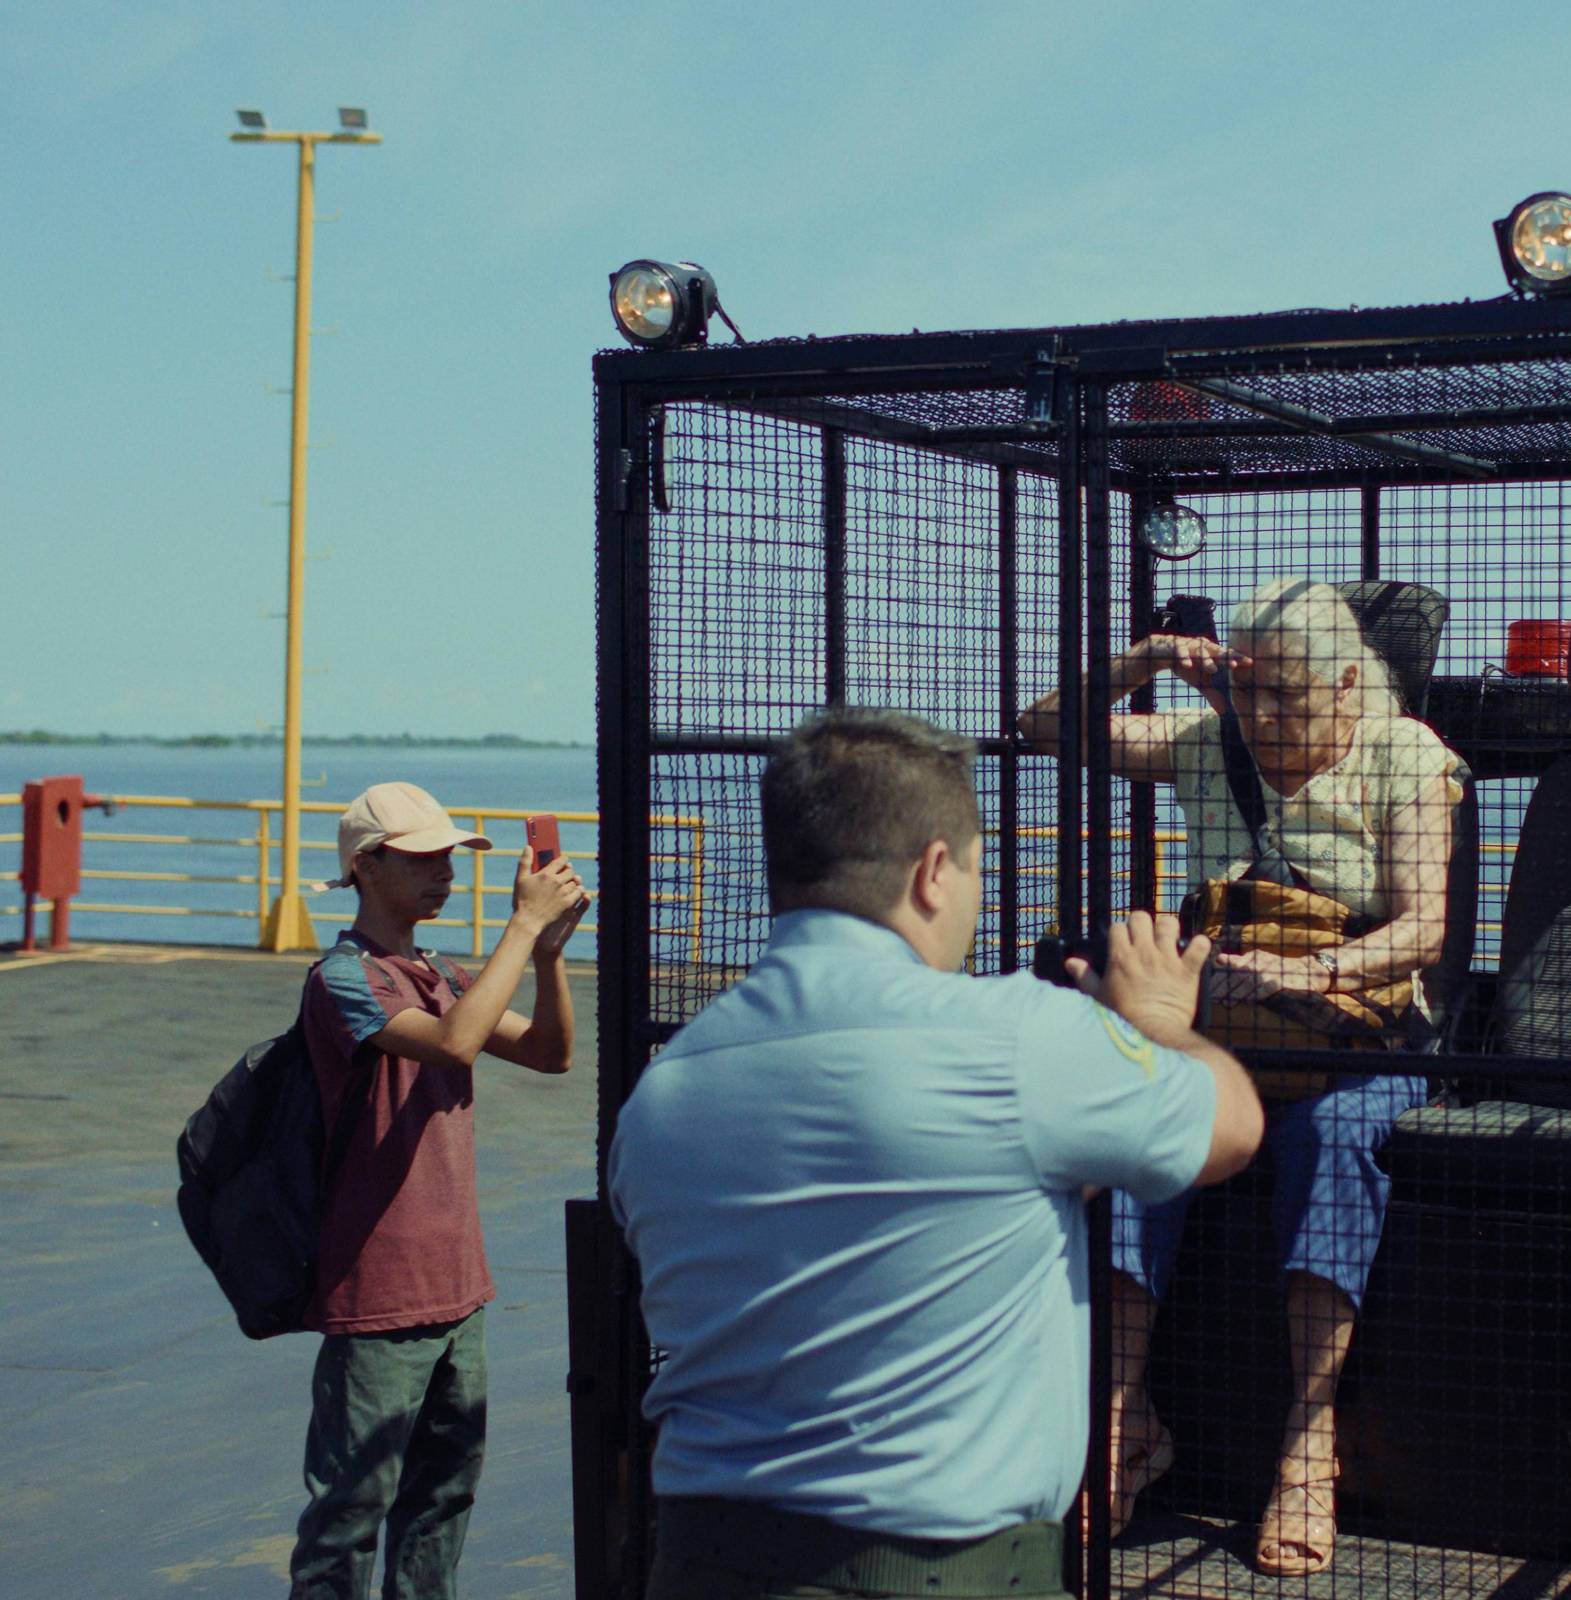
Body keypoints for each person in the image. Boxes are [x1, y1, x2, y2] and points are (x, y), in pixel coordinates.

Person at [607, 708, 1263, 1600]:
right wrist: (1151, 1021)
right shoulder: (1016, 1038)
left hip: (693, 1562)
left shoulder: (664, 1092)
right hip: (938, 1575)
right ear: (932, 874)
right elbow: (1229, 1126)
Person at [1017, 576, 1466, 1576]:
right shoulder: (1203, 742)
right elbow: (1042, 727)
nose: (1264, 720)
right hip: (1229, 1034)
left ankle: (1309, 1445)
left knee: (1337, 1139)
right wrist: (1143, 662)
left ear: (1350, 686)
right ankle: (1125, 1418)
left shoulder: (1406, 758)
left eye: (1290, 698)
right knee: (1140, 1133)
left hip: (1359, 1040)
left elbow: (1424, 928)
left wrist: (1311, 972)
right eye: (1252, 693)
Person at [288, 781, 588, 1600]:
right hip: (379, 1294)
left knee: (442, 1502)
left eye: (449, 859)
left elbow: (552, 1055)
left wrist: (551, 954)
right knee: (350, 1511)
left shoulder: (442, 974)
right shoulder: (344, 980)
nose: (443, 875)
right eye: (421, 860)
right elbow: (455, 1046)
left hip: (458, 1289)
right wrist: (522, 925)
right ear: (365, 867)